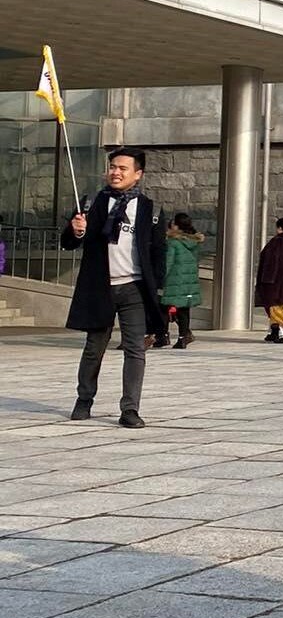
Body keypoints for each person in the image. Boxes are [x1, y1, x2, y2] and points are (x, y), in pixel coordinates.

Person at [60, 147, 166, 429]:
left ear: (138, 174)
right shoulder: (92, 202)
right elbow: (69, 242)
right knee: (94, 348)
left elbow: (158, 253)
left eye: (123, 168)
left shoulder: (151, 209)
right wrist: (77, 230)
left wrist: (158, 292)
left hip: (134, 289)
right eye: (112, 167)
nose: (115, 172)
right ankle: (84, 399)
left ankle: (130, 409)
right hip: (100, 287)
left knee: (135, 350)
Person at [155, 212, 202, 349]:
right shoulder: (193, 242)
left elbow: (167, 263)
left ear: (176, 226)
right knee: (183, 310)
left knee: (163, 307)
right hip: (188, 281)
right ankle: (183, 337)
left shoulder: (173, 242)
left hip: (174, 281)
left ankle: (163, 336)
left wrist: (159, 279)